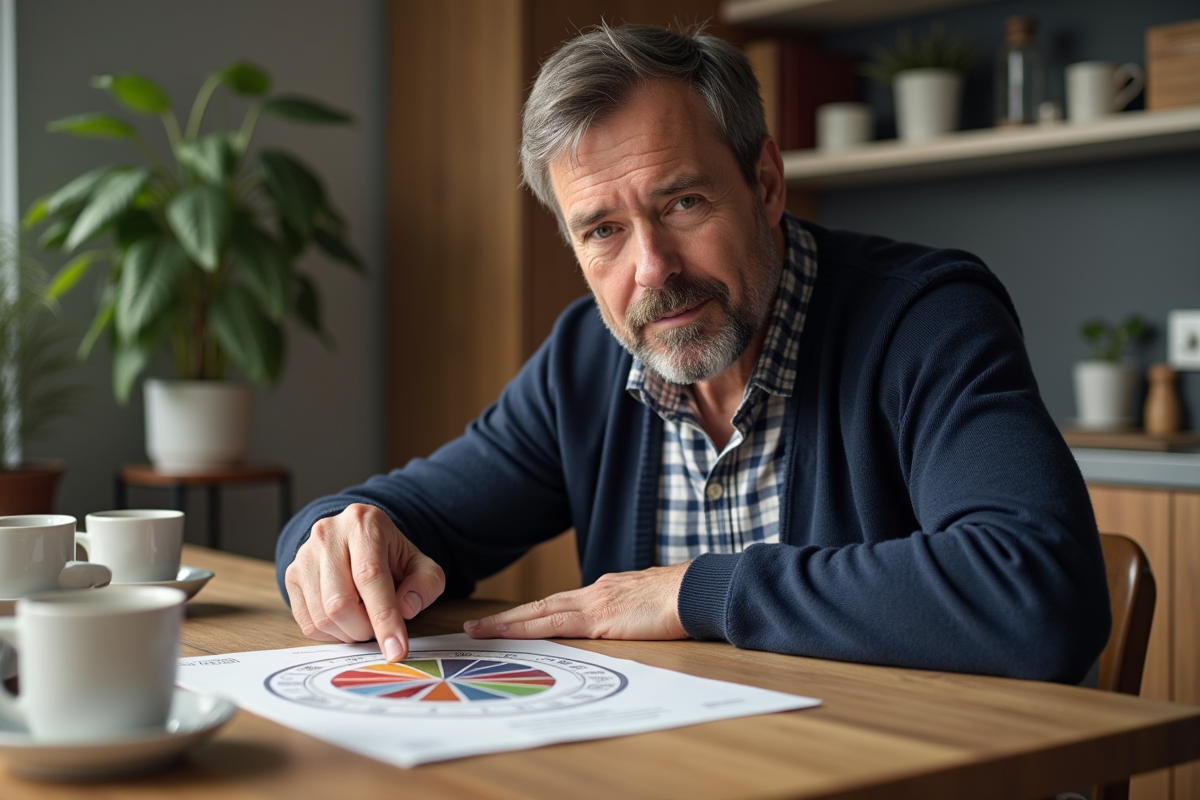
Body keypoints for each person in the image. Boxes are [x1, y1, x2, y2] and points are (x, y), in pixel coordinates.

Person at [276, 22, 1110, 683]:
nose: (653, 270)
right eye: (603, 231)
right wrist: (335, 543)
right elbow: (405, 514)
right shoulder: (585, 360)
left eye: (682, 203)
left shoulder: (924, 318)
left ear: (766, 184)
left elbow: (1039, 592)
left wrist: (695, 590)